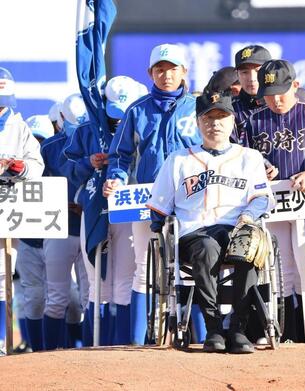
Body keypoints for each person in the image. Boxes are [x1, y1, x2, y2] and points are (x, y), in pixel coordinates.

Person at [147, 90, 274, 353]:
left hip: (235, 228)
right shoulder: (178, 159)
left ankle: (238, 328)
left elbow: (262, 198)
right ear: (197, 122)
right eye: (208, 118)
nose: (215, 123)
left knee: (249, 248)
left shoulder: (249, 157)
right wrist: (161, 236)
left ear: (232, 121)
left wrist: (248, 217)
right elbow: (159, 207)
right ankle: (214, 328)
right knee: (207, 248)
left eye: (221, 117)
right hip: (195, 232)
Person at [104, 44, 203, 345]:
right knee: (142, 270)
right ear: (150, 73)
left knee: (194, 270)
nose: (166, 74)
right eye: (159, 69)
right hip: (147, 197)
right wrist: (116, 179)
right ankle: (137, 344)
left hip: (192, 197)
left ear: (184, 71)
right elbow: (120, 155)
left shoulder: (199, 108)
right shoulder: (137, 110)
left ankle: (204, 338)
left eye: (172, 68)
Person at [244, 59, 305, 343]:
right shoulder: (253, 121)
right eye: (269, 92)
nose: (276, 98)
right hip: (273, 205)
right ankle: (289, 339)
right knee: (282, 273)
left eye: (282, 90)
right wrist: (258, 165)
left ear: (296, 86)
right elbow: (243, 159)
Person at [61, 78, 142, 346]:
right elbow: (67, 168)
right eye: (114, 111)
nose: (118, 119)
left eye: (124, 111)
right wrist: (89, 162)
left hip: (132, 207)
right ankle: (96, 348)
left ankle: (124, 344)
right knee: (97, 282)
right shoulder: (87, 129)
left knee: (125, 279)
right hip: (95, 206)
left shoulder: (141, 119)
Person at [0, 67, 44, 352]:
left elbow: (36, 166)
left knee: (3, 277)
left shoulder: (18, 125)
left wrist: (21, 167)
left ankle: (2, 341)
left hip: (6, 205)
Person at [40, 97, 90, 350]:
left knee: (90, 296)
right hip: (58, 227)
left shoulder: (98, 138)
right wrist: (63, 204)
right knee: (57, 297)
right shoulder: (49, 147)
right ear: (61, 119)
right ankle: (49, 359)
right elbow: (34, 190)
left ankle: (93, 354)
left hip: (91, 227)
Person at [14, 115, 54, 352]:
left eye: (43, 140)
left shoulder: (58, 161)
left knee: (66, 297)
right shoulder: (19, 166)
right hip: (27, 240)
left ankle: (69, 346)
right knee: (31, 296)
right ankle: (34, 349)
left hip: (54, 238)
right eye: (35, 140)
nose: (39, 146)